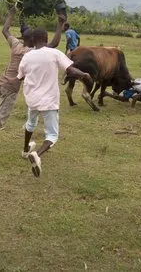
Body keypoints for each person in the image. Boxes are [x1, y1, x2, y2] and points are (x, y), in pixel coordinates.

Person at [0, 7, 66, 149]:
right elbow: (53, 44)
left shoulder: (16, 44)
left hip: (1, 83)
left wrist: (11, 14)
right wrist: (60, 25)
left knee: (4, 106)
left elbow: (5, 30)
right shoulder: (31, 51)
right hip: (10, 88)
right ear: (32, 39)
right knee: (1, 120)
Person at [17, 28, 92, 177]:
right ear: (46, 38)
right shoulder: (54, 53)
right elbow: (70, 71)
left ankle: (26, 150)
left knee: (31, 123)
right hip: (49, 101)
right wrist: (84, 75)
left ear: (33, 39)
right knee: (52, 135)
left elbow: (20, 77)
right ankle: (37, 155)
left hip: (32, 99)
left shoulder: (27, 56)